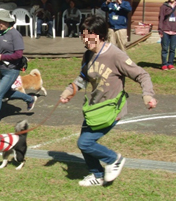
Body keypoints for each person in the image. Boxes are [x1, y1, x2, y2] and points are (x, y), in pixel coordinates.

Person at [59, 15, 157, 187]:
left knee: (85, 142)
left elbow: (142, 74)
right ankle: (97, 175)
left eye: (89, 35)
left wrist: (147, 95)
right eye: (83, 35)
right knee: (85, 143)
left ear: (100, 35)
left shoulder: (116, 55)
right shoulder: (88, 55)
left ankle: (114, 159)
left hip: (111, 109)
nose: (85, 38)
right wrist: (69, 90)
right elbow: (83, 77)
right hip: (95, 108)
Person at [0, 9, 37, 131]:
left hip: (12, 70)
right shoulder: (1, 32)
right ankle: (30, 99)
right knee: (6, 92)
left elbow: (18, 54)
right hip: (1, 69)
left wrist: (2, 57)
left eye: (1, 22)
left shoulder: (15, 35)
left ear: (8, 22)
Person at [158, 0, 176, 70]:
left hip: (174, 31)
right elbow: (161, 18)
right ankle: (164, 64)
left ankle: (170, 63)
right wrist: (160, 30)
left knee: (173, 49)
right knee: (165, 48)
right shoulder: (164, 6)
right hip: (165, 30)